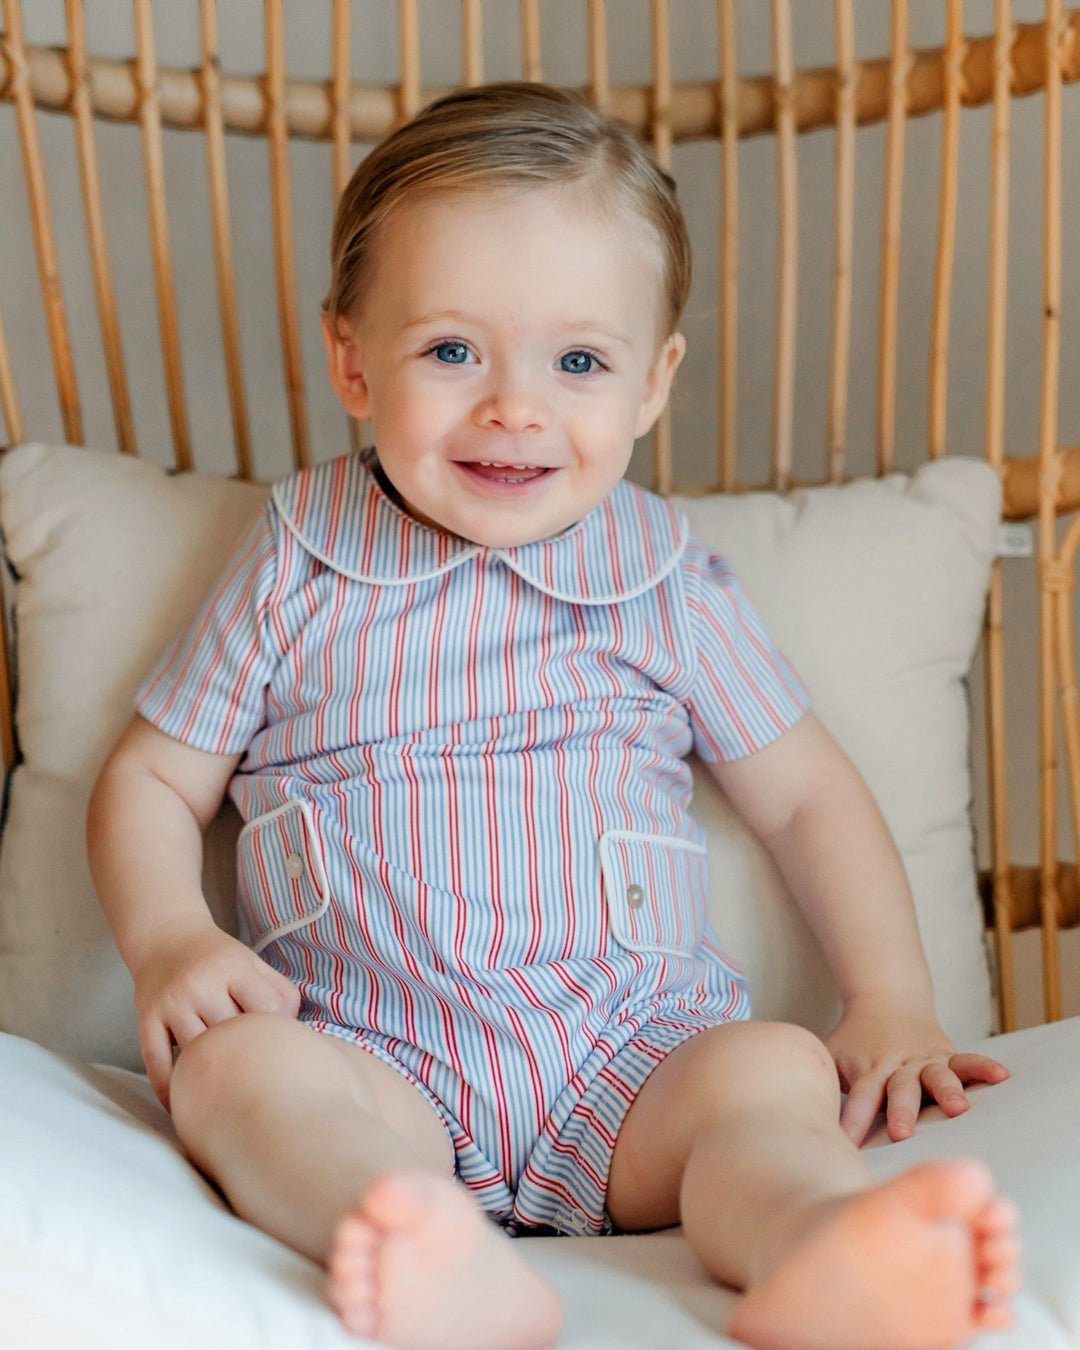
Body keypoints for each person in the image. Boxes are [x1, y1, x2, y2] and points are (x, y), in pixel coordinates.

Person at [88, 83, 1020, 1350]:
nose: (515, 407)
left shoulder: (663, 575)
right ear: (354, 361)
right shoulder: (300, 554)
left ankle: (816, 1245)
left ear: (651, 385)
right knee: (239, 1076)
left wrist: (892, 997)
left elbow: (807, 796)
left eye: (579, 360)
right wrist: (169, 944)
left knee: (769, 1082)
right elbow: (153, 778)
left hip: (637, 1058)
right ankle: (408, 1235)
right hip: (369, 1052)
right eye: (452, 350)